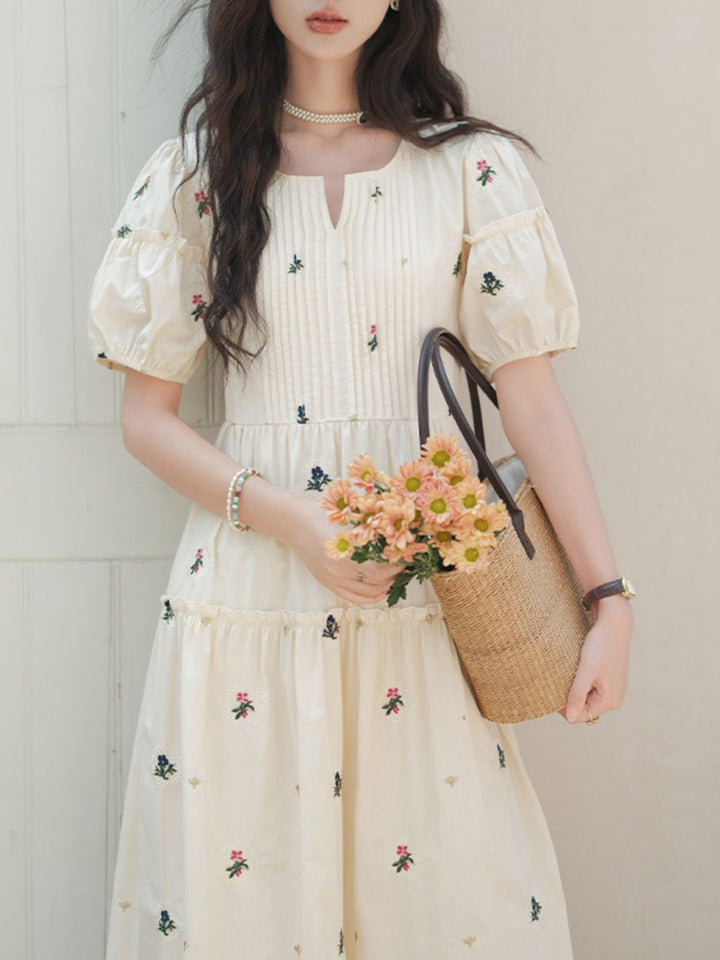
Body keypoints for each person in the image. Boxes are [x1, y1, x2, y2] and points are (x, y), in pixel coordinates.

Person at [87, 1, 634, 956]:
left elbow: (533, 404)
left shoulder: (469, 168)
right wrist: (293, 521)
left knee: (453, 909)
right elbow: (145, 419)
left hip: (428, 601)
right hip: (250, 594)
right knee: (242, 911)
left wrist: (608, 598)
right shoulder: (197, 172)